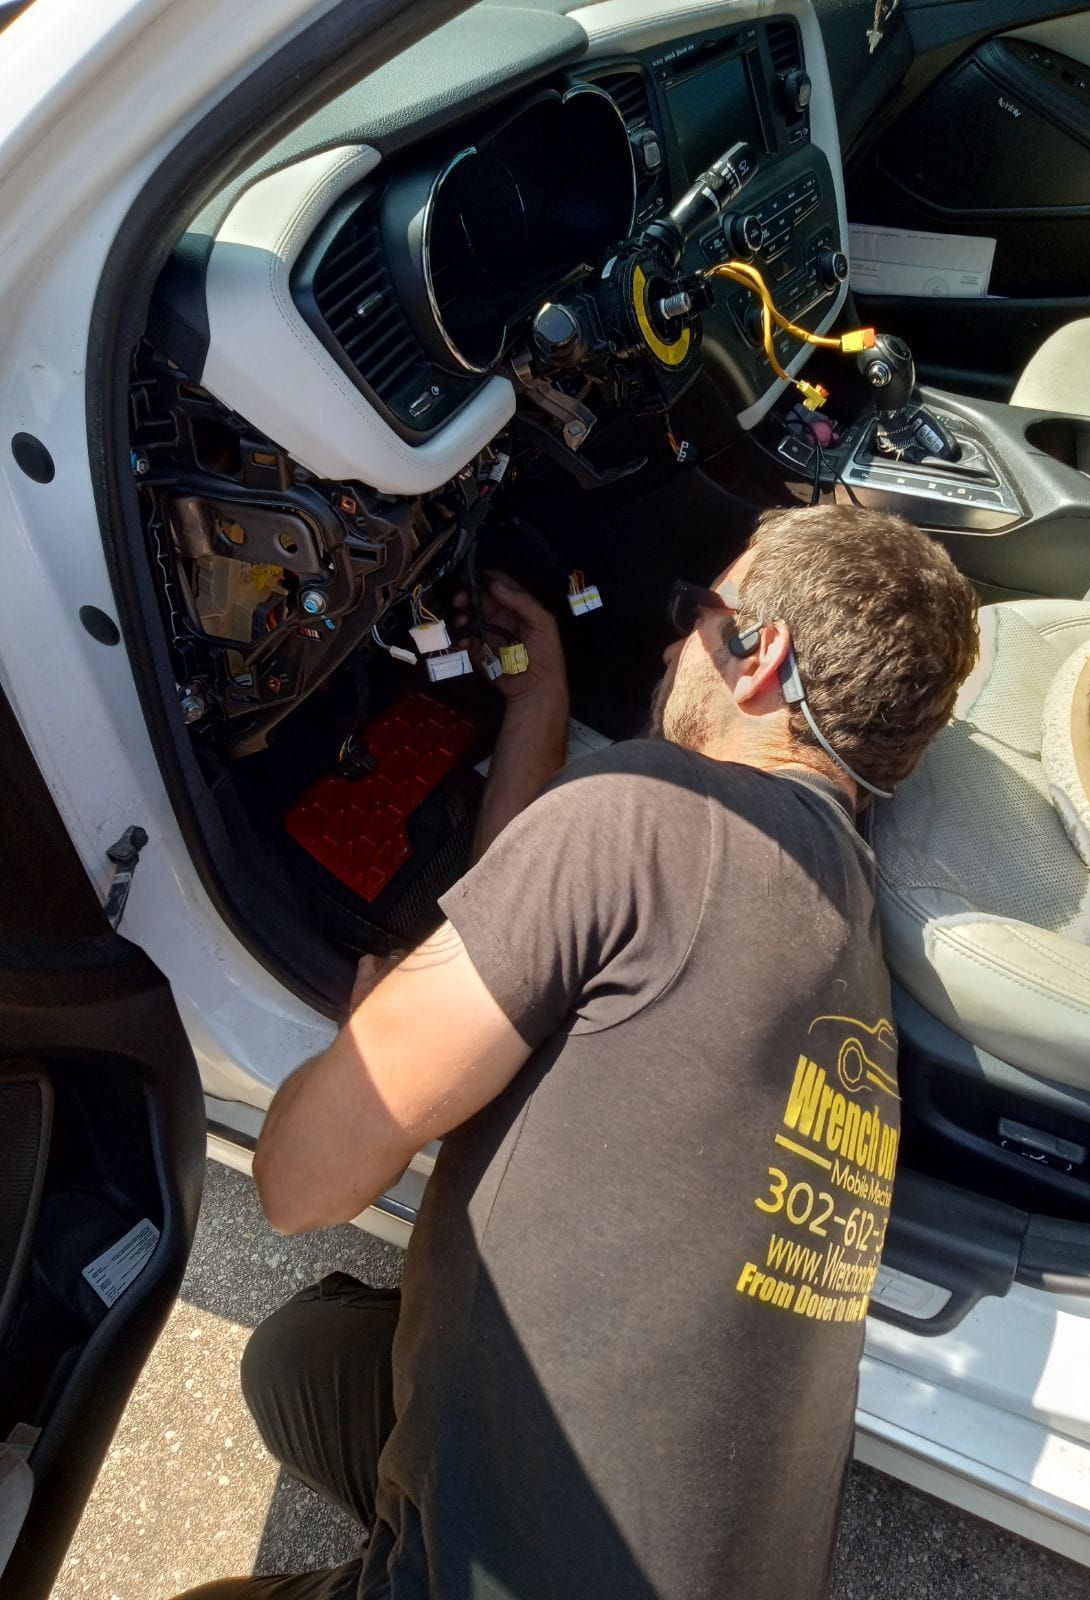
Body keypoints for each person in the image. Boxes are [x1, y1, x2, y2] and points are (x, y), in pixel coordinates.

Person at [181, 503, 979, 1600]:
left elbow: (300, 1182)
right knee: (299, 1363)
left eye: (699, 614)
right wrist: (538, 704)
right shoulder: (846, 948)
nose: (666, 647)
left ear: (763, 659)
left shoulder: (652, 815)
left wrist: (366, 1041)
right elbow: (542, 921)